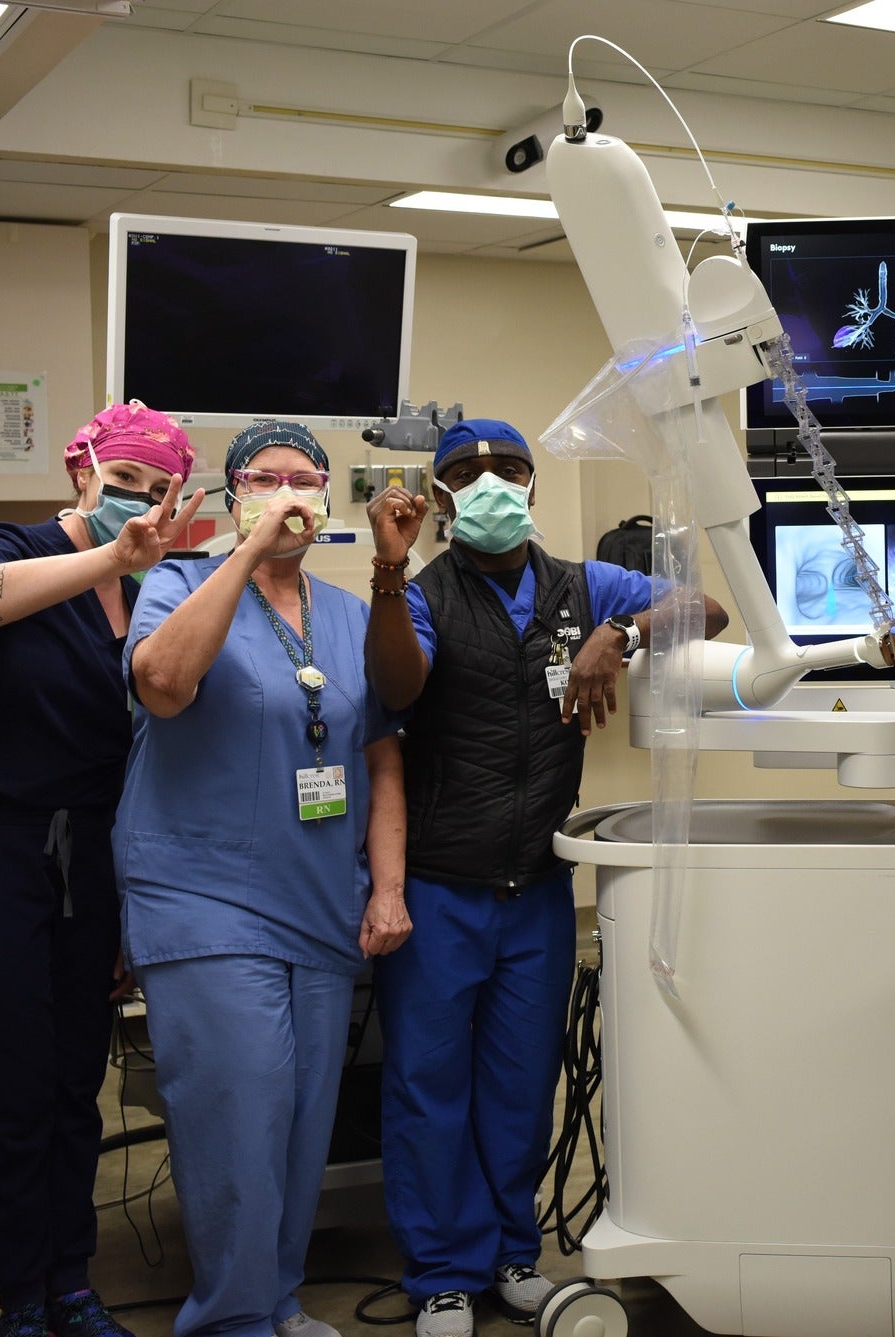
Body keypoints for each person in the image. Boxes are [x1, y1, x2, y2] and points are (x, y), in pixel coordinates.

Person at [361, 418, 730, 1337]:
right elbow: (397, 687)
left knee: (523, 1084)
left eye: (509, 469)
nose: (491, 484)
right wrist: (388, 570)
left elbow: (705, 608)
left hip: (536, 886)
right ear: (441, 497)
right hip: (444, 886)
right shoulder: (426, 594)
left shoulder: (581, 584)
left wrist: (618, 633)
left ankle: (513, 1256)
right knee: (430, 1085)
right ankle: (443, 1274)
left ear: (531, 484)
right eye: (467, 473)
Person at [0, 401, 203, 1337]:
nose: (137, 502)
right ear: (82, 471)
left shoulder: (158, 593)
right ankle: (23, 1299)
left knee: (73, 1085)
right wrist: (113, 557)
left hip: (83, 857)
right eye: (123, 482)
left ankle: (71, 1282)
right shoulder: (13, 546)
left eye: (158, 490)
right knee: (9, 1087)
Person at [118, 421, 411, 1337]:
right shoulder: (177, 582)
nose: (289, 491)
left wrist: (387, 887)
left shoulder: (350, 613)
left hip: (320, 899)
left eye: (306, 478)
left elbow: (381, 757)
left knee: (298, 1123)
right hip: (204, 895)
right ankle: (230, 1321)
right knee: (237, 1120)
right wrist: (242, 551)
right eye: (266, 478)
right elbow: (162, 682)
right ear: (238, 492)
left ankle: (272, 1298)